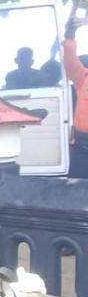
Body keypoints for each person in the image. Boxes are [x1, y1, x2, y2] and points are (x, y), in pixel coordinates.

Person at [64, 17, 88, 178]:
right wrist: (70, 35)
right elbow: (70, 61)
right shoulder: (83, 78)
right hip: (83, 147)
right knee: (76, 194)